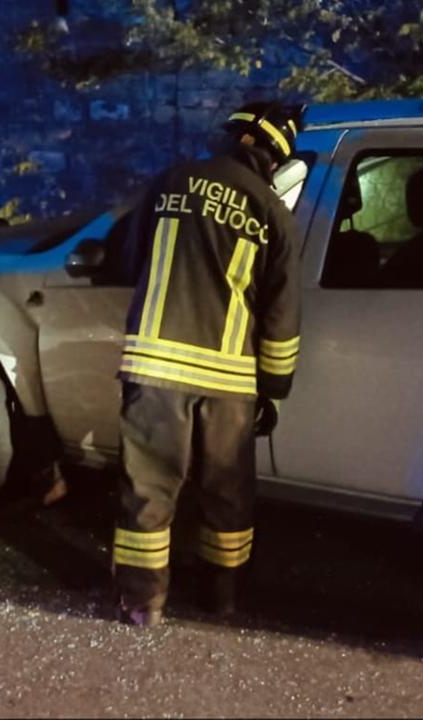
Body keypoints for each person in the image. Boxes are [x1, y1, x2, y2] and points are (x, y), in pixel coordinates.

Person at [112, 101, 303, 627]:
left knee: (149, 489)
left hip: (156, 370)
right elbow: (281, 317)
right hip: (229, 384)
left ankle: (142, 604)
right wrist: (274, 389)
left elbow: (129, 259)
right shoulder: (273, 214)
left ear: (236, 138)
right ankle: (221, 599)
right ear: (273, 157)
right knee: (227, 495)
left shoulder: (171, 182)